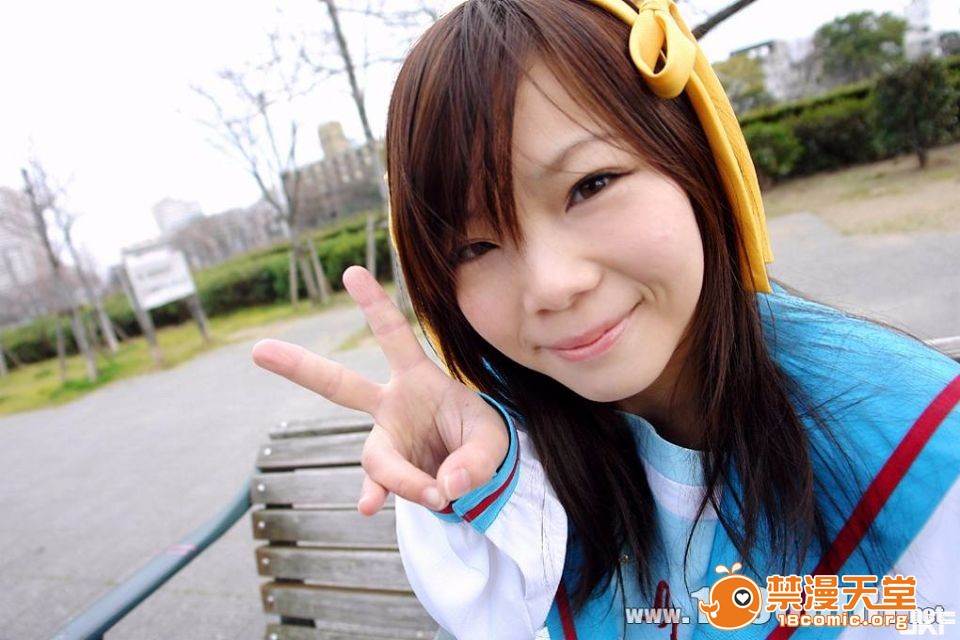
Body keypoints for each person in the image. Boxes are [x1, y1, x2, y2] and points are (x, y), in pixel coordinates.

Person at [251, 0, 960, 638]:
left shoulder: (919, 450)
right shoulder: (507, 453)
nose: (551, 287)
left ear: (695, 156)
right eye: (474, 247)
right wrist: (458, 485)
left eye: (590, 185)